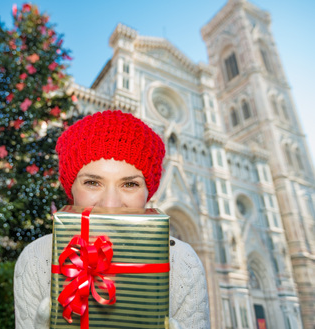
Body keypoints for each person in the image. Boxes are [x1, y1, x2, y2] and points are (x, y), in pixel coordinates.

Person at [14, 110, 210, 329]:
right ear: (71, 188)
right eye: (92, 182)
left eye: (129, 184)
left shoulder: (183, 262)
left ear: (149, 192)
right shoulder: (35, 259)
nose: (110, 203)